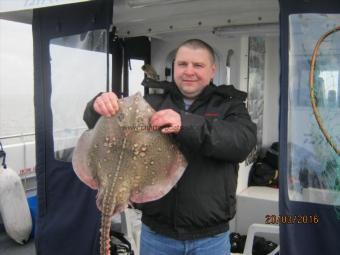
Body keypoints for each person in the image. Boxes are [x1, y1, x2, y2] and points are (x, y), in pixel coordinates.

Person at [83, 39, 257, 255]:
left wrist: (186, 123)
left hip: (210, 237)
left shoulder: (230, 106)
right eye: (182, 64)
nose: (189, 71)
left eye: (198, 65)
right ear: (174, 67)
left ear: (213, 70)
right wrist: (97, 106)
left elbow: (242, 142)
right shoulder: (151, 103)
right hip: (157, 234)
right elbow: (101, 127)